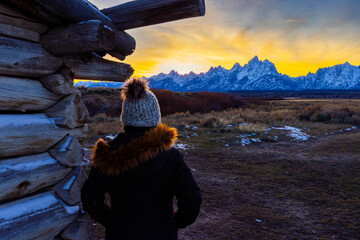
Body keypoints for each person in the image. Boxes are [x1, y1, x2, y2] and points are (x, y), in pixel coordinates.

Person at [81, 78, 202, 240]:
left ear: (126, 116)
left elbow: (91, 198)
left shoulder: (107, 154)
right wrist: (174, 223)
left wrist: (111, 220)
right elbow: (192, 200)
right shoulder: (171, 156)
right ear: (155, 116)